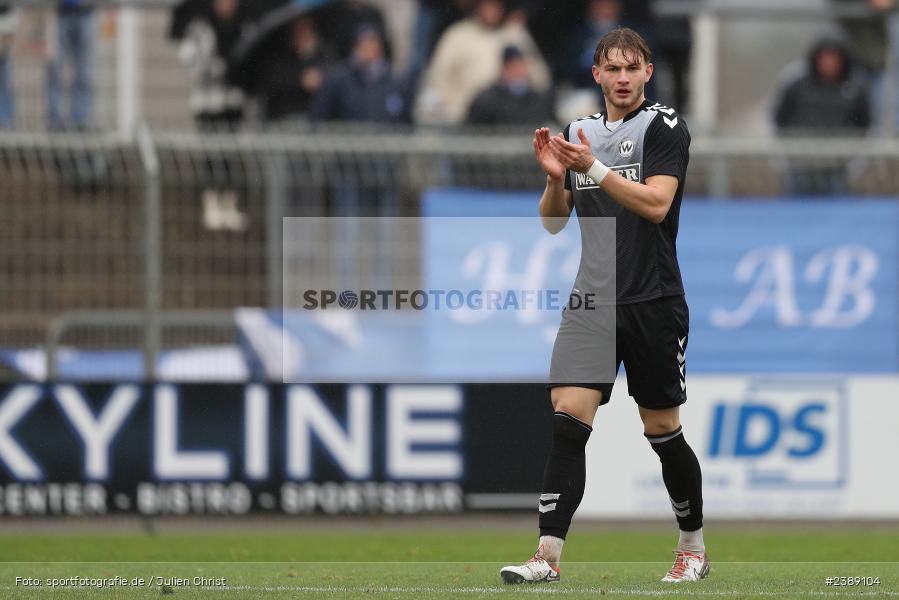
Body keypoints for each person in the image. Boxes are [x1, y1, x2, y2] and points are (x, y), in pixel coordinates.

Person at [500, 27, 707, 585]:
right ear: (595, 75)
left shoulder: (663, 127)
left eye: (630, 68)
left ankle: (693, 549)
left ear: (647, 73)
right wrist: (553, 181)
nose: (620, 78)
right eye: (610, 69)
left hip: (653, 297)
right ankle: (546, 557)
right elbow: (552, 221)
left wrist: (590, 168)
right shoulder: (579, 131)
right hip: (593, 299)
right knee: (568, 419)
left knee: (662, 428)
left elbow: (658, 205)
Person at [415, 0, 549, 125]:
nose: (490, 9)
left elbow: (540, 79)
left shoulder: (515, 34)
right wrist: (455, 109)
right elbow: (437, 79)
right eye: (486, 4)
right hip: (466, 122)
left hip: (511, 121)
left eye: (495, 4)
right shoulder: (457, 35)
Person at [773, 31, 870, 195]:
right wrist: (785, 156)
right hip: (800, 168)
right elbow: (778, 119)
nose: (829, 63)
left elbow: (865, 125)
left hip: (837, 169)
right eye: (825, 57)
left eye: (834, 57)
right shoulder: (796, 84)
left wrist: (855, 162)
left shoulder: (855, 87)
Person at [258, 16, 327, 122]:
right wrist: (300, 81)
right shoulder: (280, 60)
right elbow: (274, 87)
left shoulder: (324, 58)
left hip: (317, 118)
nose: (303, 38)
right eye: (299, 34)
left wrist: (321, 79)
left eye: (307, 33)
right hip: (286, 117)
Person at [466, 45, 555, 126]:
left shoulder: (537, 100)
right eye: (512, 66)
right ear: (504, 68)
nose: (518, 71)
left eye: (520, 66)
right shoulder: (487, 100)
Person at [46, 0, 95, 130]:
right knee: (55, 69)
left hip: (86, 11)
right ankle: (55, 120)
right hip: (60, 12)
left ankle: (81, 119)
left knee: (85, 71)